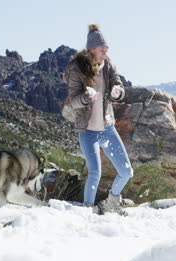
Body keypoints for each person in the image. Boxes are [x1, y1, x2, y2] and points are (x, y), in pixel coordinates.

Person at [64, 24, 133, 215]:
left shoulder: (108, 65)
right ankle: (87, 211)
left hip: (107, 128)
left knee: (126, 171)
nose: (106, 51)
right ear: (92, 49)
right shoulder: (77, 69)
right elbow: (74, 100)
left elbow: (118, 85)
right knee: (95, 173)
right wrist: (86, 97)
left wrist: (118, 92)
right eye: (102, 48)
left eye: (107, 48)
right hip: (87, 131)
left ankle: (112, 201)